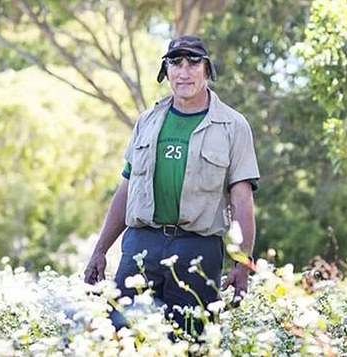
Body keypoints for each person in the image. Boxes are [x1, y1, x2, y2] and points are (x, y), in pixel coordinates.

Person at [83, 35, 259, 335]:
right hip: (141, 247)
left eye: (193, 62)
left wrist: (243, 263)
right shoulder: (147, 122)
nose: (184, 71)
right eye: (175, 62)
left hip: (198, 251)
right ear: (166, 71)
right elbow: (126, 191)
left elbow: (242, 202)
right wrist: (100, 250)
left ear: (207, 71)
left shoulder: (233, 126)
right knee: (121, 337)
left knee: (191, 343)